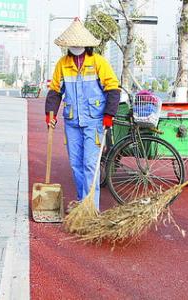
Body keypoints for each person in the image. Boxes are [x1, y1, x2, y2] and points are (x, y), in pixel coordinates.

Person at [45, 18, 120, 209]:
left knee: (90, 166)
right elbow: (55, 91)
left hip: (94, 121)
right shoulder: (62, 64)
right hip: (72, 122)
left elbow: (113, 88)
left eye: (79, 43)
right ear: (67, 45)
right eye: (73, 44)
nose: (76, 46)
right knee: (76, 165)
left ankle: (90, 209)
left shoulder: (98, 62)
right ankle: (81, 202)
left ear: (86, 44)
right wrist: (50, 114)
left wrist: (109, 115)